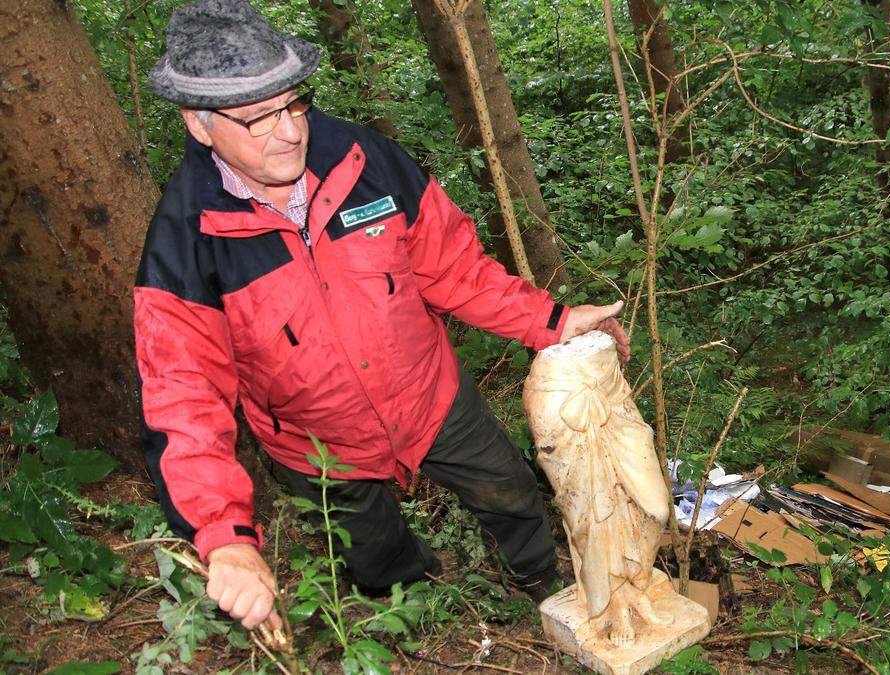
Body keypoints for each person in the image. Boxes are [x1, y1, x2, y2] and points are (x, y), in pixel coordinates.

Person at [136, 0, 630, 632]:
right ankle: (419, 623)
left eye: (293, 103)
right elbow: (183, 398)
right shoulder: (184, 240)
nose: (289, 131)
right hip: (318, 448)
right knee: (374, 559)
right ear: (200, 126)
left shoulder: (366, 161)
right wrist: (223, 534)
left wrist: (553, 320)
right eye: (259, 119)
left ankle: (538, 579)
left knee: (509, 492)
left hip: (431, 398)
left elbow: (454, 267)